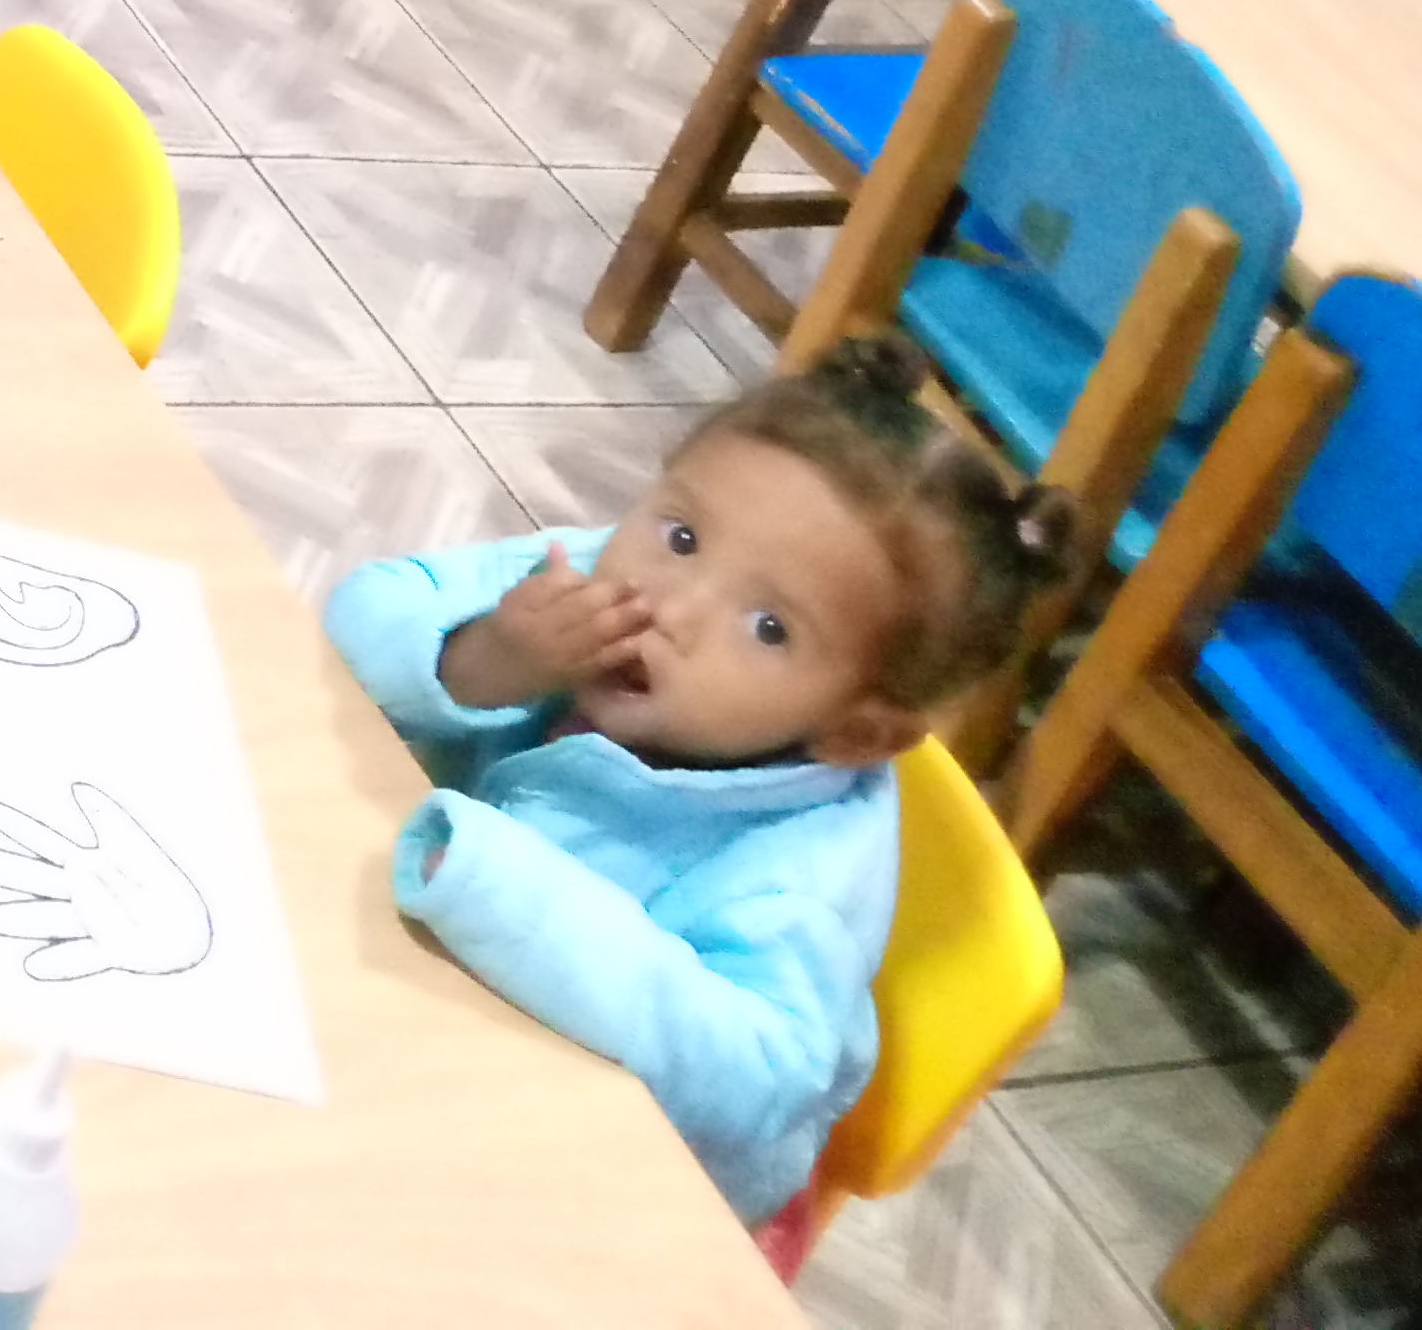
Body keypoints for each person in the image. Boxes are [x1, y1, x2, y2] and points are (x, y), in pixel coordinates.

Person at [320, 338, 1080, 1230]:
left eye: (768, 628)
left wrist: (495, 886)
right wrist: (483, 659)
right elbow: (363, 613)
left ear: (858, 731)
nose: (669, 609)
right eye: (681, 536)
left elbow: (758, 1078)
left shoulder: (799, 882)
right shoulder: (599, 573)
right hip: (438, 1002)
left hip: (618, 1192)